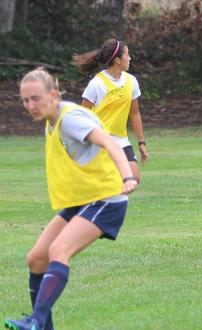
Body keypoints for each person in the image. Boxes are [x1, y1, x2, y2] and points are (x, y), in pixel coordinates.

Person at [3, 68, 138, 330]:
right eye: (25, 100)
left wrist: (126, 177)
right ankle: (41, 325)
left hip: (106, 200)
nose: (30, 105)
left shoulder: (71, 118)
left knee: (58, 250)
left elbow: (110, 142)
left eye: (36, 98)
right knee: (37, 258)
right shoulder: (51, 121)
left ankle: (36, 322)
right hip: (83, 201)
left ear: (53, 94)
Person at [72, 38, 148, 183]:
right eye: (127, 55)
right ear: (118, 60)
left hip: (120, 140)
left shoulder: (131, 81)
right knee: (108, 181)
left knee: (134, 178)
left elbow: (135, 113)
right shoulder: (96, 84)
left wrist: (141, 143)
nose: (130, 58)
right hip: (99, 141)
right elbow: (81, 116)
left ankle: (110, 200)